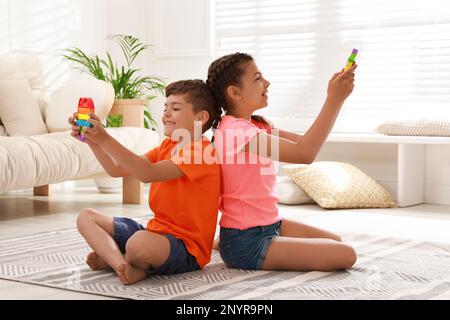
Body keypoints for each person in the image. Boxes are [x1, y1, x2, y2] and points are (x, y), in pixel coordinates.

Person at [207, 52, 357, 272]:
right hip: (248, 241)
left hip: (271, 225)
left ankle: (222, 242)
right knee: (346, 255)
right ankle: (228, 245)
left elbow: (307, 143)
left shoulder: (256, 126)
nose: (267, 83)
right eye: (257, 78)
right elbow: (305, 154)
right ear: (234, 92)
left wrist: (335, 97)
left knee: (337, 242)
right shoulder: (236, 132)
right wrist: (334, 99)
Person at [71, 80, 220, 285]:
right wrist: (93, 141)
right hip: (154, 232)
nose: (166, 113)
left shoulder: (201, 152)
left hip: (186, 248)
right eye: (165, 107)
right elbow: (117, 169)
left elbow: (146, 173)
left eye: (175, 108)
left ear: (201, 117)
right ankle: (120, 264)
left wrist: (104, 137)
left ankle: (124, 258)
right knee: (86, 217)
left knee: (138, 244)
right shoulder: (167, 145)